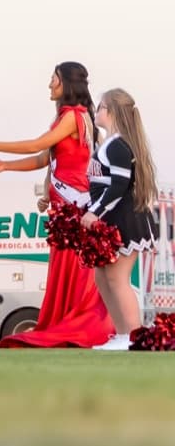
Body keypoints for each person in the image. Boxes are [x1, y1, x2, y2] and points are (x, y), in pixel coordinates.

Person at [0, 62, 107, 348]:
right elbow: (45, 158)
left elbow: (37, 145)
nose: (49, 84)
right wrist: (5, 166)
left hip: (74, 209)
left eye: (54, 79)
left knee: (75, 272)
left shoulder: (73, 116)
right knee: (62, 272)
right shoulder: (65, 118)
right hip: (63, 210)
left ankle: (76, 328)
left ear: (66, 84)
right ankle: (62, 324)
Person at [85, 88, 158, 350]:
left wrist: (95, 212)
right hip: (111, 219)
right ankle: (121, 334)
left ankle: (133, 337)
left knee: (117, 278)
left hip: (124, 219)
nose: (96, 112)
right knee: (102, 279)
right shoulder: (108, 143)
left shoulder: (118, 145)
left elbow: (118, 186)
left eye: (101, 107)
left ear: (112, 112)